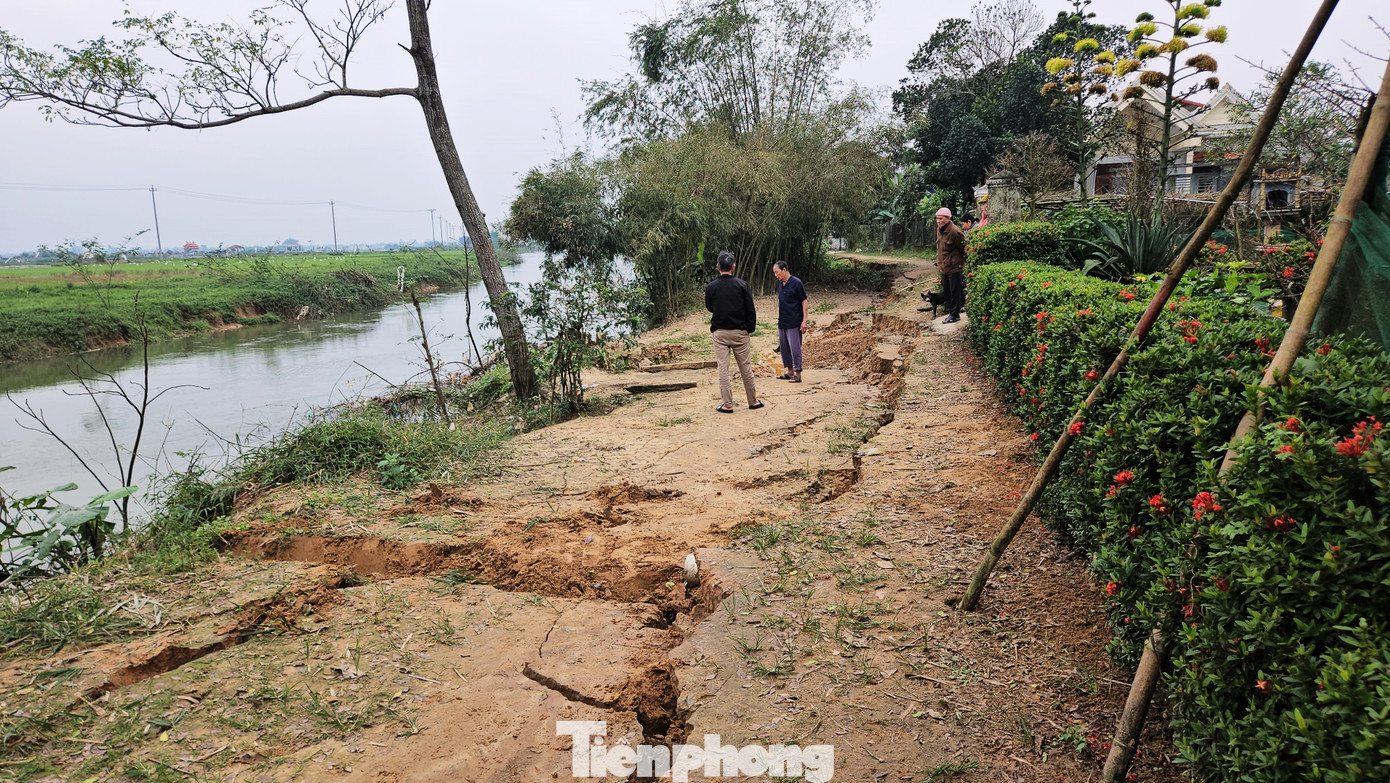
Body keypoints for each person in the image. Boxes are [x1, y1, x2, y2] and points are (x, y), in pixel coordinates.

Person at [704, 251, 763, 413]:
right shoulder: (742, 285)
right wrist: (749, 329)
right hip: (740, 332)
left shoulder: (711, 287)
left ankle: (727, 405)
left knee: (723, 369)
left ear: (718, 267)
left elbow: (710, 307)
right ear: (734, 267)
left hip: (720, 332)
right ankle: (753, 401)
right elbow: (750, 310)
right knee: (746, 368)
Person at [772, 260, 808, 383]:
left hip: (794, 321)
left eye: (777, 272)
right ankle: (790, 371)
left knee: (795, 348)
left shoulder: (796, 283)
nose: (776, 275)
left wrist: (804, 321)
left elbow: (804, 302)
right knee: (784, 348)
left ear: (784, 270)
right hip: (783, 321)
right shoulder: (780, 285)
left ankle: (798, 374)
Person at [935, 207, 967, 324]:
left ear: (948, 218)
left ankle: (954, 315)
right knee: (947, 292)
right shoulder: (939, 229)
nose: (938, 221)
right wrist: (939, 263)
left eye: (941, 218)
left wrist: (962, 263)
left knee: (955, 292)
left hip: (954, 267)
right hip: (944, 267)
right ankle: (951, 312)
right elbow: (939, 248)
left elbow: (964, 249)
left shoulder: (955, 232)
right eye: (937, 219)